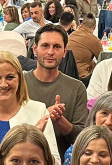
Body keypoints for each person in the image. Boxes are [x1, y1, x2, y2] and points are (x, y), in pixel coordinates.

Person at [0, 51, 60, 164]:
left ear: (19, 79)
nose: (3, 84)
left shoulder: (39, 110)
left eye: (10, 77)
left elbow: (56, 164)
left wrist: (36, 145)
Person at [25, 25, 88, 157]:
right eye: (45, 46)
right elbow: (10, 129)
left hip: (63, 164)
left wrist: (60, 120)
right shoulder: (19, 84)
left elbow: (82, 139)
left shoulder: (77, 88)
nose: (50, 52)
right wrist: (45, 117)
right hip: (24, 159)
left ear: (64, 52)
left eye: (57, 47)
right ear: (35, 49)